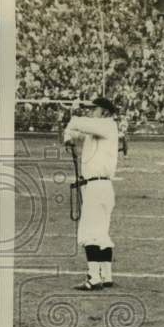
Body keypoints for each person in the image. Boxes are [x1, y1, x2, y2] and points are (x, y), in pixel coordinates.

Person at [63, 96, 119, 290]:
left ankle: (94, 278)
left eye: (94, 109)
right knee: (101, 232)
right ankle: (107, 275)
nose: (90, 112)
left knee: (89, 233)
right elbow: (73, 130)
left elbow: (77, 123)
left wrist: (73, 116)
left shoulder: (106, 125)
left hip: (97, 187)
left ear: (104, 112)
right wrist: (68, 136)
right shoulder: (98, 129)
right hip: (100, 186)